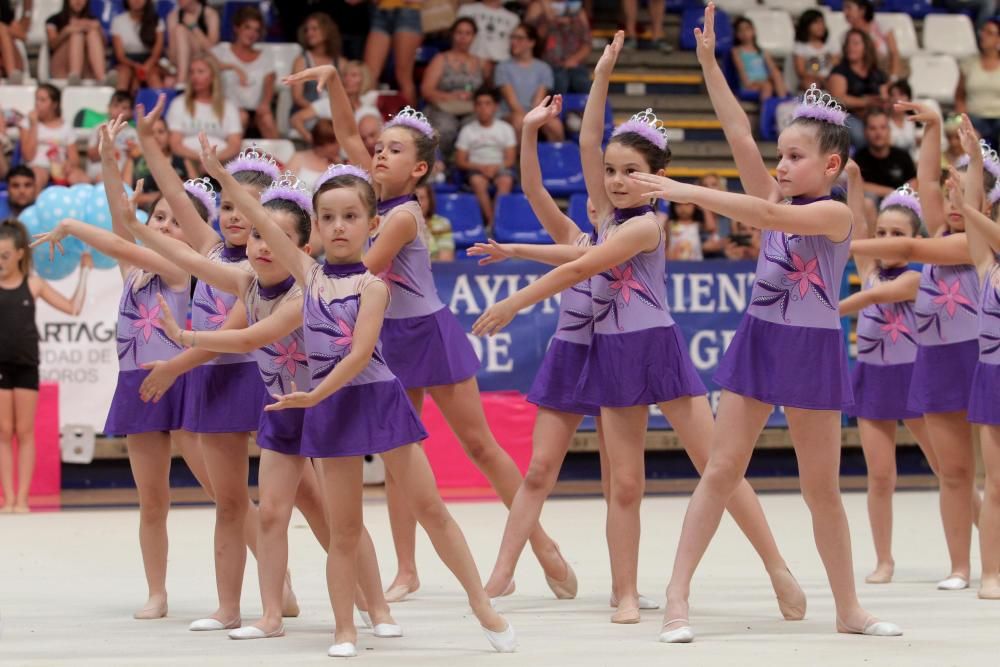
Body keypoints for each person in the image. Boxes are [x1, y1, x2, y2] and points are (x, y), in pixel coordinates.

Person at [474, 32, 806, 626]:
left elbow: (582, 265)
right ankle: (624, 593)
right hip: (612, 352)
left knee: (719, 466)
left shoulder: (645, 227)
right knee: (625, 483)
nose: (619, 179)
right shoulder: (602, 216)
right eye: (611, 172)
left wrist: (516, 301)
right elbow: (587, 139)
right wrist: (600, 75)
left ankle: (778, 566)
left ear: (657, 177)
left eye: (632, 171)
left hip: (657, 348)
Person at [626, 5, 901, 642]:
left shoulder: (834, 216)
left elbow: (767, 217)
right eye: (781, 155)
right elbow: (739, 136)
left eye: (795, 157)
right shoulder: (776, 194)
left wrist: (686, 191)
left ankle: (849, 609)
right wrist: (707, 65)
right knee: (722, 470)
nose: (780, 166)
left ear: (830, 168)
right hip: (761, 338)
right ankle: (676, 598)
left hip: (812, 349)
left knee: (822, 489)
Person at [285, 64, 575, 606]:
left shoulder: (403, 216)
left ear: (418, 168)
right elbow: (349, 136)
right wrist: (335, 85)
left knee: (479, 446)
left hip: (427, 332)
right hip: (383, 336)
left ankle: (539, 543)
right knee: (399, 454)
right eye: (379, 147)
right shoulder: (367, 197)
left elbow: (359, 272)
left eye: (393, 151)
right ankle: (407, 570)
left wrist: (306, 264)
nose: (378, 154)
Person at [224, 158, 517, 656]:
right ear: (314, 227)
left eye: (351, 216)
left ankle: (483, 605)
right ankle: (345, 630)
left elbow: (360, 354)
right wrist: (222, 174)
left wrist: (315, 394)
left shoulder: (373, 286)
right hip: (332, 412)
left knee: (432, 509)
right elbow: (260, 215)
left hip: (377, 401)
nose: (340, 227)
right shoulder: (308, 275)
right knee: (345, 529)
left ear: (372, 224)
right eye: (330, 218)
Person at [124, 159, 388, 640]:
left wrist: (181, 340)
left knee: (329, 511)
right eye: (256, 236)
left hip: (316, 401)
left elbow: (247, 338)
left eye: (272, 237)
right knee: (244, 506)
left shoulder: (307, 288)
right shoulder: (245, 277)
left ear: (301, 246)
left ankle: (376, 606)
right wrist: (127, 222)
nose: (261, 244)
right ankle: (236, 608)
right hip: (273, 400)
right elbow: (187, 256)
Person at [29, 118, 216, 615]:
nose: (164, 227)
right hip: (137, 384)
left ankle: (273, 578)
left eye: (175, 221)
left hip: (180, 379)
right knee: (152, 500)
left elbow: (116, 239)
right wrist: (109, 159)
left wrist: (70, 226)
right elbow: (119, 224)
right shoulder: (136, 269)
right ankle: (157, 592)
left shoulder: (182, 269)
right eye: (158, 219)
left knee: (225, 495)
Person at [136, 95, 300, 629]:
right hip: (215, 382)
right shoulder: (207, 248)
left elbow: (234, 334)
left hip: (260, 378)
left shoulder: (263, 272)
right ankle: (230, 607)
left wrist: (174, 363)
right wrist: (149, 141)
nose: (233, 216)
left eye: (244, 207)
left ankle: (367, 601)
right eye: (226, 205)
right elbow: (173, 194)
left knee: (315, 502)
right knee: (229, 502)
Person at [849, 102, 991, 593]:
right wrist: (932, 125)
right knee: (952, 472)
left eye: (963, 194)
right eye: (949, 194)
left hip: (978, 357)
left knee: (990, 474)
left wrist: (836, 242)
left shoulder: (977, 245)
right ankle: (959, 567)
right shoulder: (943, 229)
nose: (950, 202)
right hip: (936, 360)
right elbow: (926, 183)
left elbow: (906, 250)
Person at [841, 172, 938, 584]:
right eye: (881, 232)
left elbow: (875, 297)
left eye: (895, 233)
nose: (883, 239)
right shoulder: (870, 266)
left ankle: (983, 540)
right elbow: (856, 226)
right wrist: (854, 181)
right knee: (880, 476)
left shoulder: (917, 278)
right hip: (874, 378)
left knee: (947, 469)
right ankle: (884, 559)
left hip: (912, 377)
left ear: (913, 238)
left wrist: (831, 310)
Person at [0, 220, 89, 513]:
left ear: (20, 255)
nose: (0, 262)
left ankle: (22, 499)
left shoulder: (33, 284)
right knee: (3, 431)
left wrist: (85, 271)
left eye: (5, 256)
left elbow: (73, 308)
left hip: (26, 365)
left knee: (24, 432)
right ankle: (8, 498)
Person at [952, 114, 1000, 600]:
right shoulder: (986, 267)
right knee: (997, 482)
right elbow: (973, 212)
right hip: (992, 376)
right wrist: (974, 159)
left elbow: (973, 214)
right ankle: (991, 572)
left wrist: (971, 210)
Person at [421, 18, 488, 158]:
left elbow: (486, 92)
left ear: (474, 36)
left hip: (470, 108)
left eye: (468, 33)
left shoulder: (480, 62)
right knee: (446, 127)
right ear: (452, 34)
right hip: (442, 107)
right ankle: (439, 163)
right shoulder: (440, 59)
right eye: (459, 32)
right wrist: (452, 97)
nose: (463, 37)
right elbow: (426, 90)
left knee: (478, 125)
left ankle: (472, 166)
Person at [210, 6, 277, 139]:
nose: (252, 33)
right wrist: (234, 67)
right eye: (247, 27)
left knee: (267, 118)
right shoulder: (221, 51)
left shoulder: (265, 56)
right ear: (237, 28)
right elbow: (205, 64)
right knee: (241, 116)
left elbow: (270, 82)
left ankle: (279, 158)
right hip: (227, 109)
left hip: (255, 110)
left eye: (256, 30)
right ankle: (228, 158)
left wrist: (265, 103)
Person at [165, 55, 242, 169]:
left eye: (200, 72)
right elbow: (175, 144)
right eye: (192, 72)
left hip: (220, 165)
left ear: (213, 76)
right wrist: (202, 159)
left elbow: (235, 145)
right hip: (186, 163)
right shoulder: (179, 103)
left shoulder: (228, 106)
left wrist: (214, 162)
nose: (195, 76)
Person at [456, 87, 517, 229]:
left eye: (487, 103)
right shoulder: (467, 130)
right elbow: (460, 161)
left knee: (505, 181)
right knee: (477, 181)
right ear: (475, 107)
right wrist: (480, 167)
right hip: (476, 168)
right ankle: (493, 224)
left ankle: (495, 223)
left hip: (500, 167)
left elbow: (510, 159)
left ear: (495, 107)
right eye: (479, 104)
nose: (483, 108)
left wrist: (496, 167)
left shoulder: (505, 128)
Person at [495, 23, 563, 140]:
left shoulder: (543, 68)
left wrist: (535, 117)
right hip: (510, 113)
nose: (514, 42)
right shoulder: (503, 67)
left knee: (555, 125)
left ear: (531, 42)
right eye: (513, 37)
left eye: (519, 38)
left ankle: (556, 157)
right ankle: (519, 158)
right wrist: (530, 119)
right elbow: (513, 104)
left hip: (534, 111)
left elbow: (539, 101)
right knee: (519, 122)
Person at [826, 29, 889, 148]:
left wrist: (881, 102)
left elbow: (884, 97)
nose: (850, 47)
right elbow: (838, 99)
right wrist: (865, 102)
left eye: (855, 43)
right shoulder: (839, 71)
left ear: (866, 47)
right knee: (862, 135)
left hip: (874, 115)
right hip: (848, 115)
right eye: (848, 44)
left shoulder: (877, 72)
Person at [20, 84, 88, 188]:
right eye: (36, 99)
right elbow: (28, 156)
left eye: (42, 100)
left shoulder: (66, 127)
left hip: (60, 167)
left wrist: (69, 164)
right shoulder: (27, 123)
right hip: (37, 166)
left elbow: (75, 158)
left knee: (82, 178)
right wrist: (34, 125)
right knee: (37, 176)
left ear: (54, 104)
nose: (37, 103)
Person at [525, 0, 592, 95]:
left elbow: (587, 43)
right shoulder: (537, 7)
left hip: (574, 64)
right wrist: (549, 19)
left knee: (582, 83)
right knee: (560, 82)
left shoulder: (577, 9)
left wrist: (573, 60)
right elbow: (531, 39)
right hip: (547, 64)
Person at [363, 0, 423, 105]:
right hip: (380, 12)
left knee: (403, 76)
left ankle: (411, 120)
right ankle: (368, 116)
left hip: (407, 12)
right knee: (369, 75)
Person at [132, 116, 195, 212]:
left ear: (169, 135)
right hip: (143, 213)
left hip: (180, 211)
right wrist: (161, 196)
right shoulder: (135, 160)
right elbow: (127, 196)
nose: (156, 137)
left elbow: (197, 191)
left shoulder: (182, 160)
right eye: (151, 133)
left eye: (161, 132)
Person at [956, 19, 1000, 149]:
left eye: (989, 33)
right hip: (974, 118)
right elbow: (959, 96)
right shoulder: (969, 63)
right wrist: (963, 120)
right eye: (983, 31)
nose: (983, 35)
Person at [853, 110, 916, 200]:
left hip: (901, 204)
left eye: (883, 127)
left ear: (889, 130)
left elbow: (914, 181)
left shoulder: (902, 156)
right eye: (873, 128)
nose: (878, 133)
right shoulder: (859, 158)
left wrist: (902, 195)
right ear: (865, 132)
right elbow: (858, 186)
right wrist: (890, 192)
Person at [45, 0, 110, 84]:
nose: (79, 1)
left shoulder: (92, 19)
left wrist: (98, 29)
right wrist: (67, 31)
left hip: (87, 68)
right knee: (77, 35)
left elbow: (104, 45)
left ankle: (102, 77)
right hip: (62, 67)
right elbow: (52, 44)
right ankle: (75, 76)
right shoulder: (54, 20)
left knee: (92, 34)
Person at [110, 0, 165, 93]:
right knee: (124, 74)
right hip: (127, 62)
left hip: (150, 61)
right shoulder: (118, 21)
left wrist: (146, 66)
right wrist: (136, 66)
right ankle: (120, 104)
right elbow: (120, 56)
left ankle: (162, 104)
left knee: (153, 76)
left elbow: (157, 51)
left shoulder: (156, 21)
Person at [86, 91, 138, 183]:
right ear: (108, 108)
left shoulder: (133, 133)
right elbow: (92, 156)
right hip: (99, 171)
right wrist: (101, 142)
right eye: (116, 106)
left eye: (124, 108)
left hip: (123, 174)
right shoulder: (100, 128)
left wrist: (133, 152)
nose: (119, 110)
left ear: (131, 112)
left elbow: (137, 155)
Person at [165, 0, 220, 87]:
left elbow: (213, 50)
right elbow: (172, 56)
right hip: (182, 65)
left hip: (205, 59)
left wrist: (194, 27)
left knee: (180, 29)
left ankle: (181, 81)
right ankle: (182, 80)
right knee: (169, 81)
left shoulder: (210, 14)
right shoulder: (173, 16)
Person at [731, 17, 787, 103]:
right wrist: (749, 84)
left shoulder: (762, 51)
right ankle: (766, 113)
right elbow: (742, 73)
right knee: (767, 86)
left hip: (764, 81)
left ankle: (783, 104)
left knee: (777, 76)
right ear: (736, 34)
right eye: (740, 30)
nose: (744, 33)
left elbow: (773, 70)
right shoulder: (737, 51)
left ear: (754, 31)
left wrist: (776, 79)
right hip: (750, 84)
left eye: (747, 29)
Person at [842, 0, 900, 80]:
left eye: (848, 8)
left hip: (885, 72)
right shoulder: (846, 36)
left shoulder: (882, 26)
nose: (845, 12)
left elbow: (894, 53)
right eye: (844, 8)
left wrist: (893, 78)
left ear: (862, 11)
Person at [792, 9, 839, 94]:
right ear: (806, 26)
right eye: (816, 23)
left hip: (831, 78)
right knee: (811, 84)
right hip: (812, 80)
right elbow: (801, 71)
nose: (820, 26)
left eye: (822, 22)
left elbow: (837, 64)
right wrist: (820, 78)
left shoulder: (831, 43)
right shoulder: (801, 46)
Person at [286, 120, 341, 191]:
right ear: (323, 143)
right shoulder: (298, 158)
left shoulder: (338, 165)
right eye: (335, 143)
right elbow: (283, 187)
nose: (339, 146)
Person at [415, 184, 455, 262]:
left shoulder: (442, 223)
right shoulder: (396, 224)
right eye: (414, 199)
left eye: (422, 198)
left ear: (429, 200)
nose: (418, 203)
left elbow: (445, 260)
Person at [0, 0, 31, 82]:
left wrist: (27, 9)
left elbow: (24, 36)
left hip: (12, 64)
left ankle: (12, 74)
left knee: (2, 29)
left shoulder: (6, 22)